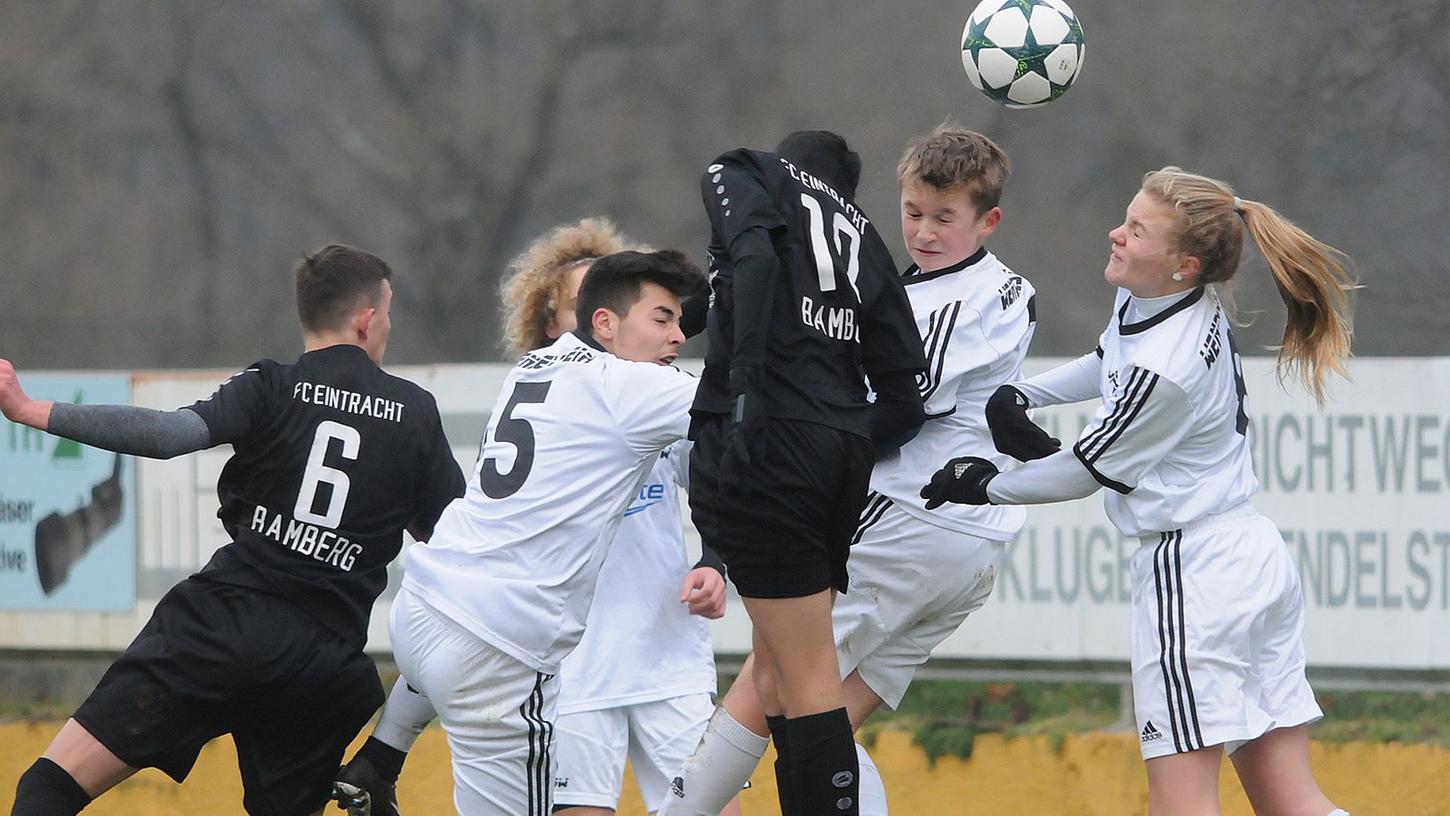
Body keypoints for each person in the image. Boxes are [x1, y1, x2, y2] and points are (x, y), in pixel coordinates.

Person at [921, 167, 1355, 816]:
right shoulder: (1155, 296)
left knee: (1179, 805)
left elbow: (1082, 471)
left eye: (1136, 230)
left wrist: (984, 484)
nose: (1115, 234)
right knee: (1291, 801)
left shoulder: (1167, 368)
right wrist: (1025, 392)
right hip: (1251, 558)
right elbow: (1107, 361)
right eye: (1126, 218)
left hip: (1195, 578)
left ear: (1184, 263)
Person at [3, 245, 467, 816]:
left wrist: (30, 409)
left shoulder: (270, 385)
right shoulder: (415, 413)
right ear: (366, 318)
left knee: (48, 788)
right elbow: (457, 546)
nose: (389, 325)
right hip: (319, 667)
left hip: (219, 628)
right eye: (389, 310)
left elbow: (171, 436)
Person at [662, 127, 1040, 816]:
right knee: (821, 719)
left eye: (943, 218)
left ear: (988, 220)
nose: (923, 232)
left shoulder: (951, 301)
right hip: (972, 548)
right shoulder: (967, 288)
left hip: (909, 520)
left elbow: (907, 408)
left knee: (774, 688)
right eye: (914, 212)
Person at [334, 220, 739, 816]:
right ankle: (383, 756)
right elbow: (745, 411)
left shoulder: (535, 368)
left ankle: (383, 755)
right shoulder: (630, 388)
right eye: (663, 319)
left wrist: (713, 556)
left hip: (426, 607)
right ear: (595, 321)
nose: (680, 334)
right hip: (502, 649)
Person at [686, 130, 928, 816]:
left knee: (809, 679)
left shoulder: (745, 170)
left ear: (785, 166)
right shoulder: (867, 238)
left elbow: (754, 255)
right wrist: (837, 433)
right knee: (776, 680)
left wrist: (748, 390)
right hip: (839, 454)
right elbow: (907, 397)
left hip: (771, 445)